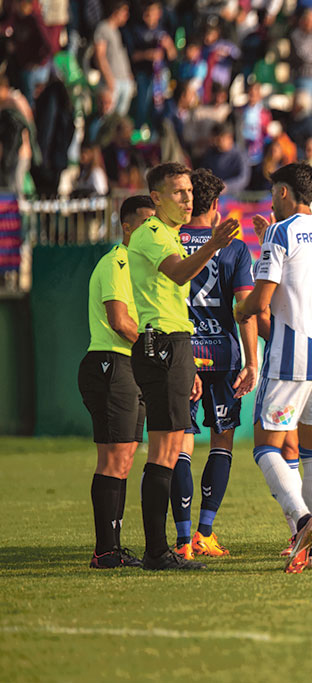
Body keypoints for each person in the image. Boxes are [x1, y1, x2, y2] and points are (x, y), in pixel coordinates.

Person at [234, 162, 312, 573]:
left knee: (266, 444)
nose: (271, 200)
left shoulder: (279, 233)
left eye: (273, 193)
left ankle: (304, 523)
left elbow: (261, 299)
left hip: (290, 355)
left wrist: (241, 309)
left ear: (284, 192)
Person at [127, 162, 239, 571]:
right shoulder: (152, 233)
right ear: (156, 198)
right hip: (160, 345)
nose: (188, 198)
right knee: (163, 451)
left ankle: (160, 549)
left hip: (174, 345)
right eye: (178, 192)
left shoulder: (170, 234)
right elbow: (176, 276)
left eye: (190, 191)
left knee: (171, 448)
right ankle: (157, 551)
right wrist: (211, 245)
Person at [168, 169, 258, 560]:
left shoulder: (169, 240)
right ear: (217, 206)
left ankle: (183, 539)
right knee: (222, 441)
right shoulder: (234, 248)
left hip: (181, 353)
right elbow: (245, 310)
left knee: (179, 444)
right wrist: (252, 360)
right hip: (222, 355)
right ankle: (205, 532)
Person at [79, 195, 154, 569]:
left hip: (127, 366)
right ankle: (104, 550)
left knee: (123, 459)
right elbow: (120, 321)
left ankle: (112, 547)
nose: (152, 231)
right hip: (110, 362)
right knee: (112, 459)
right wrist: (155, 349)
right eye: (146, 223)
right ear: (127, 227)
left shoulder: (140, 268)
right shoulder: (117, 262)